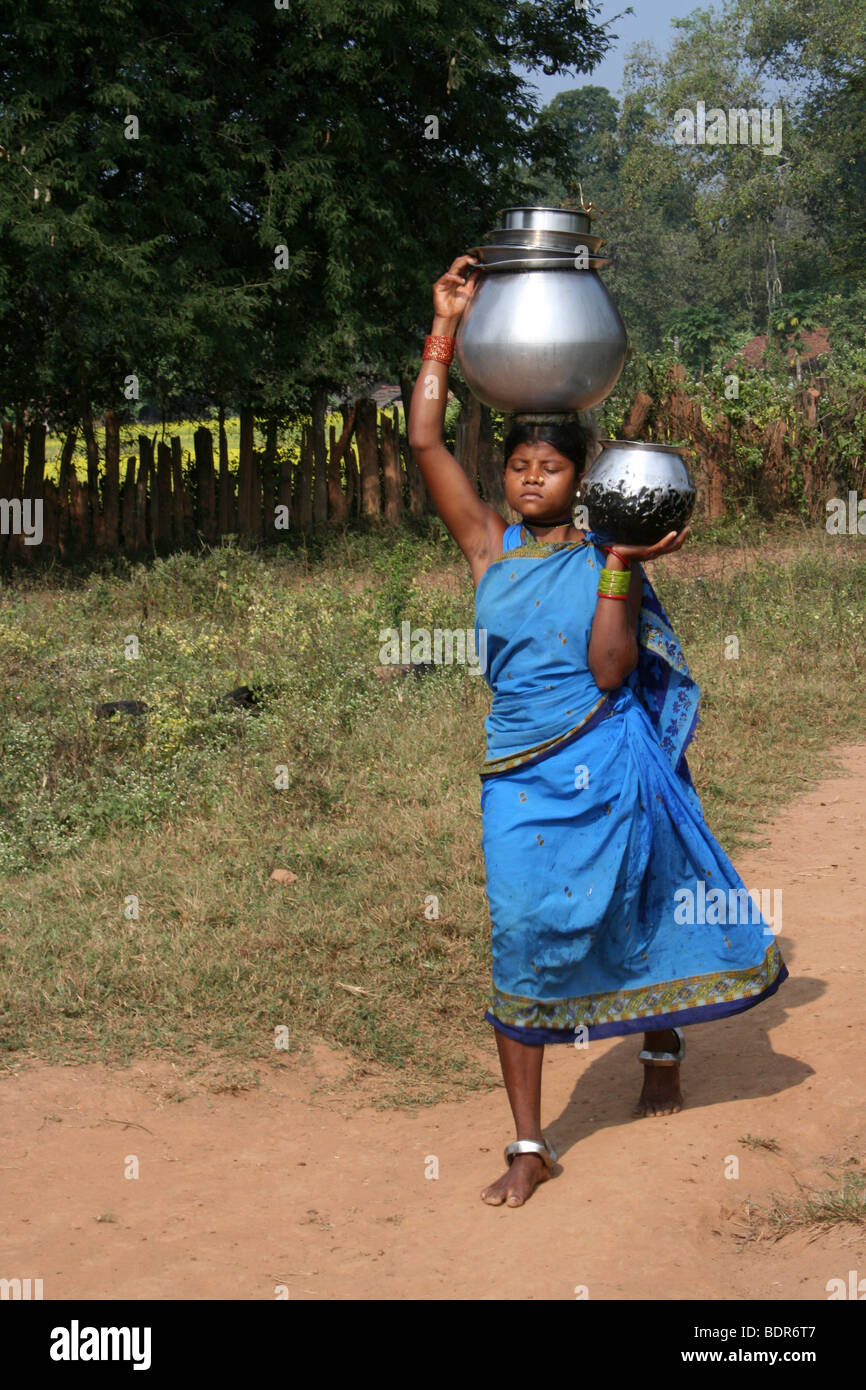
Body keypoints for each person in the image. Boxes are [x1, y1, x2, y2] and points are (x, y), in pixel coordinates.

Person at [407, 254, 788, 1208]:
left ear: (580, 483)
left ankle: (660, 1037)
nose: (530, 473)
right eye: (520, 464)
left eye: (551, 465)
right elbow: (423, 443)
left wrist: (620, 562)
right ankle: (530, 1144)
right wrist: (445, 330)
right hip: (518, 777)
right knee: (522, 931)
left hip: (605, 757)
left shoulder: (601, 558)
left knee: (642, 895)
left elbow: (613, 671)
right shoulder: (487, 550)